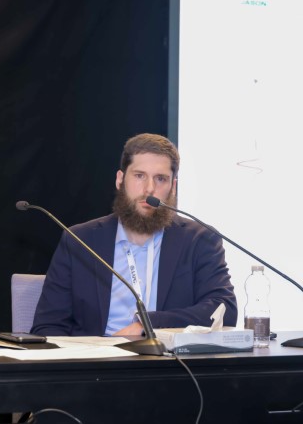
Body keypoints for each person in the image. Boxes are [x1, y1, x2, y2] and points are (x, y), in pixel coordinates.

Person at [31, 133, 237, 336]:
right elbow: (47, 326)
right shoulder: (79, 240)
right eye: (139, 176)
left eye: (160, 179)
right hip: (97, 356)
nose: (149, 189)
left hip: (166, 356)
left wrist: (148, 324)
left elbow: (224, 309)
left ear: (173, 186)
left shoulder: (199, 239)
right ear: (120, 180)